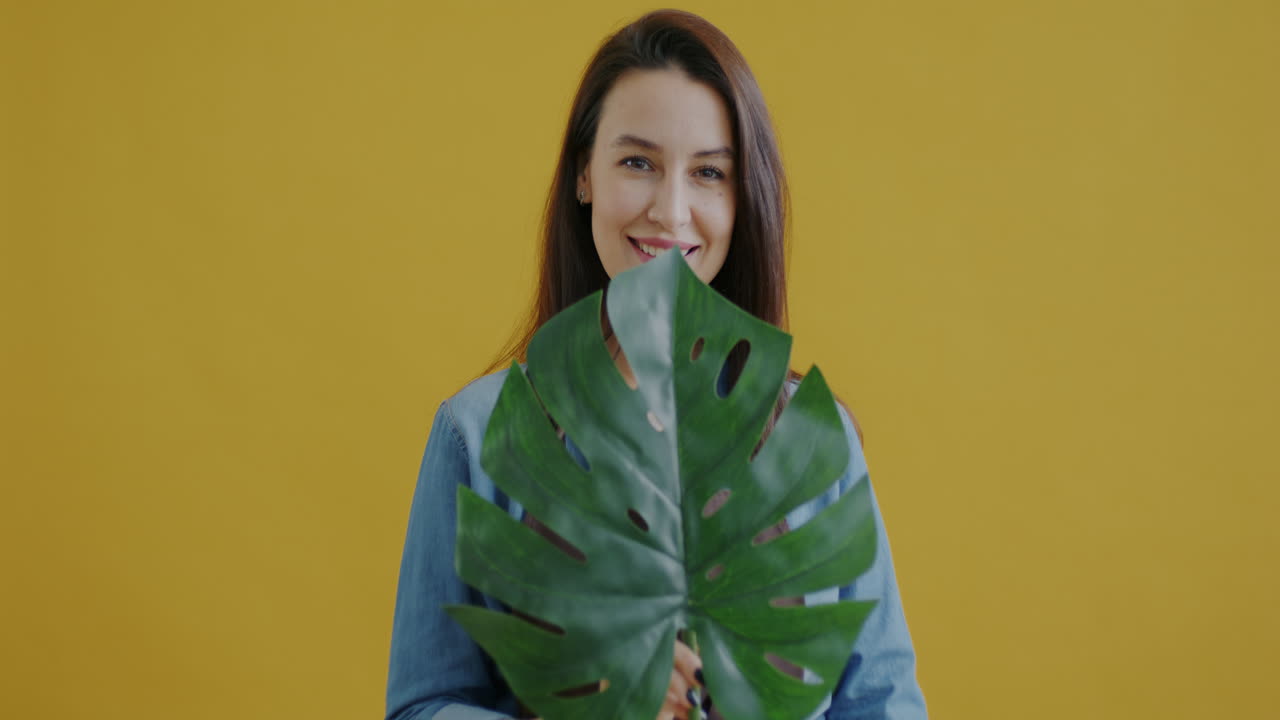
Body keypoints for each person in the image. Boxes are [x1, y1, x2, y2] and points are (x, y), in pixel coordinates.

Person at [386, 9, 926, 720]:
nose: (671, 213)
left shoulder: (810, 437)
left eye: (708, 173)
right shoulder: (479, 433)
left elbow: (882, 702)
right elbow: (425, 705)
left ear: (742, 199)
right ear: (585, 173)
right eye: (637, 162)